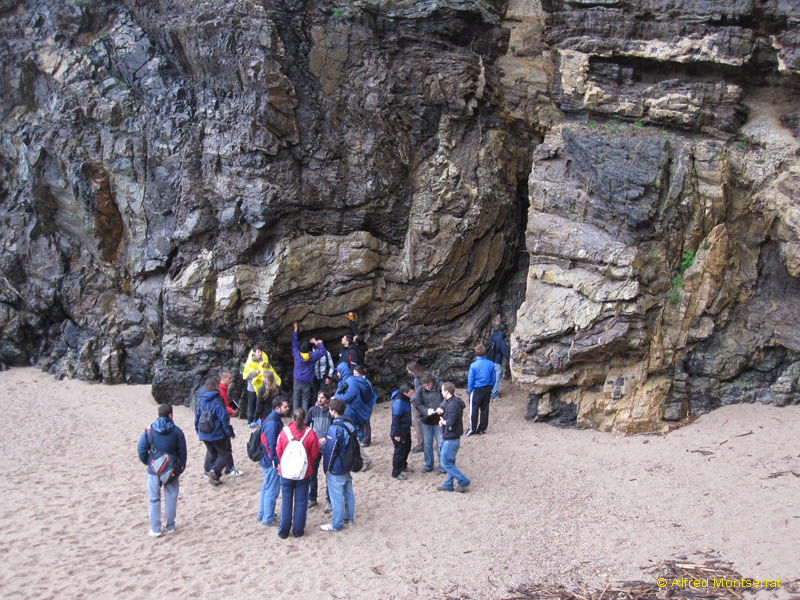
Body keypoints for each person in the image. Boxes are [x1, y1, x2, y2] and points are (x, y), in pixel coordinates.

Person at [137, 404, 187, 537]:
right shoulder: (177, 431)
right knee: (171, 496)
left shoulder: (149, 431)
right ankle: (170, 525)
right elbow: (182, 452)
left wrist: (148, 462)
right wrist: (180, 467)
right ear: (170, 415)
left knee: (154, 498)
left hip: (153, 469)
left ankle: (156, 528)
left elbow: (141, 450)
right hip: (171, 469)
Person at [275, 408, 319, 538]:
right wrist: (307, 462)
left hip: (286, 472)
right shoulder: (310, 434)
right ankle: (298, 530)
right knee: (301, 502)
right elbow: (314, 453)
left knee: (286, 501)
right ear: (304, 418)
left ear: (292, 418)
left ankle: (284, 530)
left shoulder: (284, 432)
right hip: (303, 472)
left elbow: (279, 451)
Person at [321, 398, 356, 532]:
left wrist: (327, 468)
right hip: (347, 463)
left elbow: (331, 451)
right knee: (348, 492)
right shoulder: (349, 423)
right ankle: (349, 518)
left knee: (336, 497)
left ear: (333, 411)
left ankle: (336, 523)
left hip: (337, 467)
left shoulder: (335, 428)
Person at [195, 375, 235, 486]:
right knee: (225, 454)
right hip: (216, 433)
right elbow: (223, 419)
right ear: (216, 386)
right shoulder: (218, 401)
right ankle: (214, 472)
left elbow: (197, 418)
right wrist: (228, 433)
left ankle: (213, 476)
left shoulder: (201, 400)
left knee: (212, 453)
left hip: (204, 432)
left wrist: (197, 431)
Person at [334, 363, 376, 466]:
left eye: (338, 371)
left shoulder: (350, 381)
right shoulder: (348, 380)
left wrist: (337, 397)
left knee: (351, 437)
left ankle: (364, 459)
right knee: (352, 436)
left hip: (351, 412)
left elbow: (350, 395)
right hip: (353, 411)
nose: (337, 374)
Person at [258, 396, 290, 527]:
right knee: (272, 489)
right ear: (277, 408)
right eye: (285, 407)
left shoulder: (272, 420)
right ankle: (268, 517)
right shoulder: (272, 423)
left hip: (267, 460)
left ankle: (263, 513)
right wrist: (277, 461)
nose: (287, 408)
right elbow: (270, 445)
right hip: (271, 461)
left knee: (266, 487)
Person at [204, 371, 244, 477]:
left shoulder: (217, 392)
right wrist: (231, 411)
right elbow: (221, 407)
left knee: (212, 449)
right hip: (219, 424)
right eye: (229, 378)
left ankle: (208, 469)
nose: (231, 380)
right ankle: (228, 468)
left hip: (210, 427)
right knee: (225, 449)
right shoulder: (220, 391)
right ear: (223, 378)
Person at [435, 382, 470, 492]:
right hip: (451, 437)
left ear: (447, 392)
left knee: (445, 462)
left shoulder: (452, 405)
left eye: (442, 390)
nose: (441, 392)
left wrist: (442, 422)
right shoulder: (452, 402)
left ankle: (463, 480)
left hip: (451, 438)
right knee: (450, 461)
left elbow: (450, 421)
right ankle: (448, 484)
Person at [412, 371, 445, 473]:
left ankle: (443, 466)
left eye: (428, 384)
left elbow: (447, 398)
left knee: (440, 444)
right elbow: (417, 402)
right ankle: (428, 465)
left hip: (439, 420)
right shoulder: (420, 389)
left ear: (432, 382)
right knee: (427, 444)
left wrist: (441, 408)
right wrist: (426, 410)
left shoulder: (439, 387)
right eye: (424, 385)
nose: (426, 387)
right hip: (426, 420)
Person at [305, 390, 333, 511]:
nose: (319, 399)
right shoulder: (312, 410)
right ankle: (312, 498)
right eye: (318, 396)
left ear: (327, 399)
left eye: (322, 397)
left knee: (328, 474)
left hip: (327, 446)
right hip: (314, 447)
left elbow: (334, 428)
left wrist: (327, 438)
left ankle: (329, 500)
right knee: (312, 473)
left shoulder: (331, 411)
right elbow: (306, 426)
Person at [291, 322, 327, 413]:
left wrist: (295, 330)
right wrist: (315, 342)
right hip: (307, 382)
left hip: (297, 380)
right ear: (308, 350)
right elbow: (323, 351)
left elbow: (294, 343)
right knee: (305, 399)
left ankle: (295, 416)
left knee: (296, 398)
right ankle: (303, 417)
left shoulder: (296, 355)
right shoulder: (312, 357)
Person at [242, 348, 281, 427]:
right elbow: (246, 375)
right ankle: (250, 420)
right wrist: (256, 372)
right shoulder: (250, 362)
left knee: (260, 403)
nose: (260, 353)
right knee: (251, 403)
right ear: (254, 353)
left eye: (261, 352)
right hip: (252, 387)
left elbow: (270, 370)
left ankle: (259, 419)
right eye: (258, 352)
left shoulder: (264, 360)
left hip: (263, 387)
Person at [466, 343, 496, 436]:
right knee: (484, 409)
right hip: (487, 388)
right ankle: (482, 429)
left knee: (473, 409)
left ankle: (472, 429)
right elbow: (494, 378)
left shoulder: (473, 365)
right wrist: (491, 387)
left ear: (476, 353)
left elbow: (471, 379)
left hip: (477, 389)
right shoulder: (491, 364)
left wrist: (469, 390)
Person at [390, 383, 414, 480]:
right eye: (412, 392)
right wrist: (396, 434)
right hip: (400, 431)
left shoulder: (405, 399)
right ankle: (396, 472)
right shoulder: (399, 402)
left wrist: (409, 421)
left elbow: (405, 414)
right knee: (399, 452)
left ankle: (403, 466)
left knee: (407, 447)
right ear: (405, 392)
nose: (413, 394)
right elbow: (395, 419)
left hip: (405, 429)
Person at [488, 324, 510, 400]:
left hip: (489, 360)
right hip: (496, 361)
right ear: (505, 331)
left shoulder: (493, 336)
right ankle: (493, 394)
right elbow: (505, 351)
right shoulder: (501, 339)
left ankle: (489, 392)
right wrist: (511, 359)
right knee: (496, 378)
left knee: (490, 377)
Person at [406, 361, 424, 454]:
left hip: (418, 405)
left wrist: (410, 399)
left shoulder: (417, 379)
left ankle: (421, 445)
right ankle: (425, 442)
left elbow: (417, 393)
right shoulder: (424, 374)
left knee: (418, 424)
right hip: (426, 403)